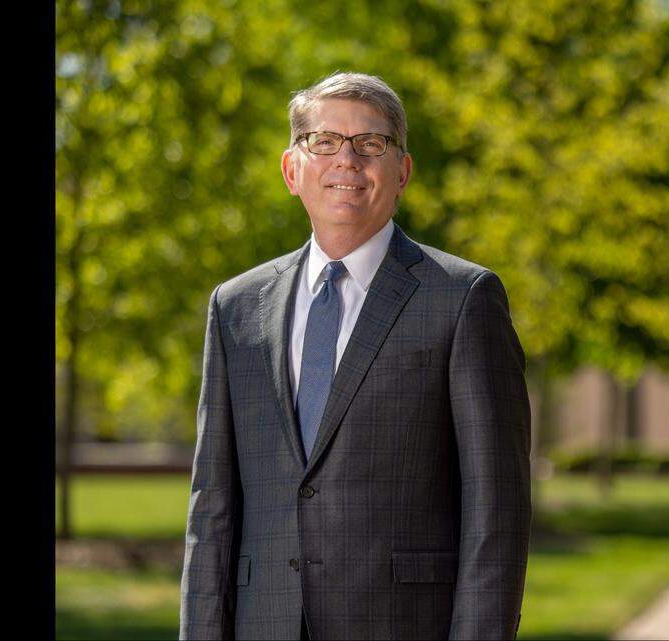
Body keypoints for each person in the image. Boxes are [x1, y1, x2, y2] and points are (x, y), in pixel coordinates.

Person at [179, 71, 532, 640]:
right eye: (323, 142)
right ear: (292, 170)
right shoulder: (235, 307)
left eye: (370, 144)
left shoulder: (463, 299)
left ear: (402, 172)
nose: (346, 159)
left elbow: (496, 508)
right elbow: (212, 509)